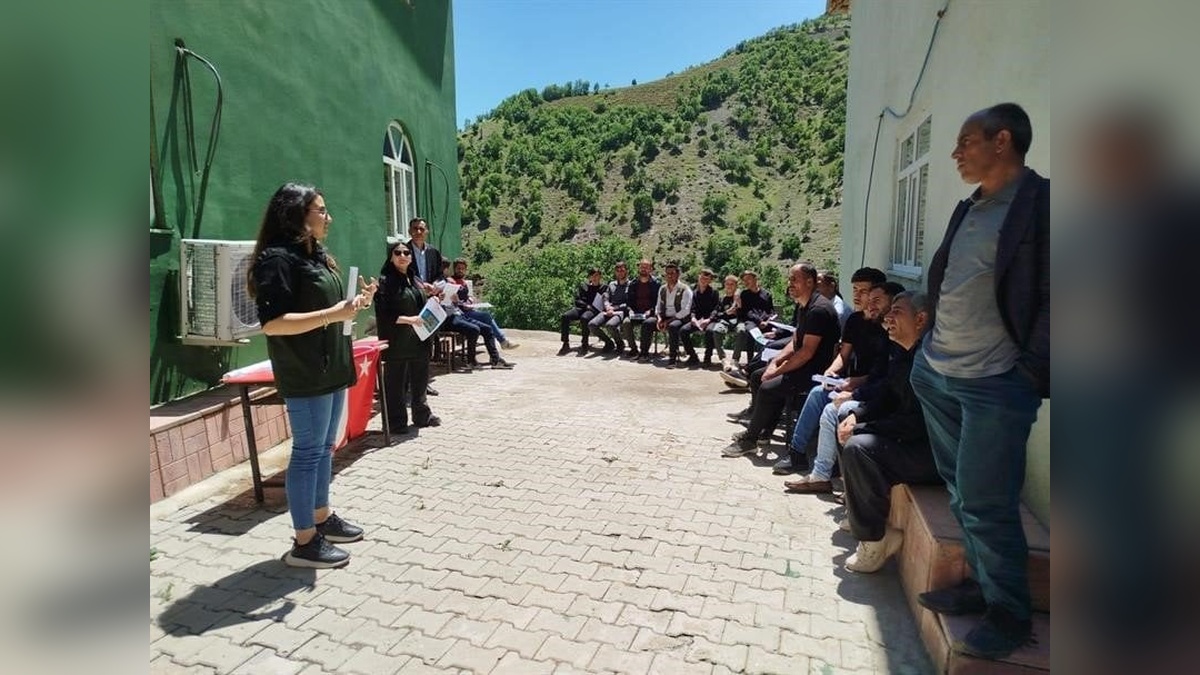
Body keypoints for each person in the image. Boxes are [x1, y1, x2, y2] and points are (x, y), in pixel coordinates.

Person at [909, 103, 1049, 660]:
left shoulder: (1044, 206)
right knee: (961, 492)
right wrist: (925, 343)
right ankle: (980, 586)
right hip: (938, 372)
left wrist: (1029, 373)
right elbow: (951, 280)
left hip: (995, 382)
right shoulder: (970, 207)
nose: (955, 153)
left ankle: (1010, 615)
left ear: (1002, 140)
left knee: (987, 502)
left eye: (966, 141)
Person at [247, 183, 376, 569]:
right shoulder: (277, 260)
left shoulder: (315, 255)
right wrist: (333, 314)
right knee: (306, 452)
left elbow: (328, 308)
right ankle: (304, 541)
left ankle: (321, 517)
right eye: (321, 210)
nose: (328, 217)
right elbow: (273, 323)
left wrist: (355, 304)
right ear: (297, 215)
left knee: (323, 448)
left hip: (330, 366)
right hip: (305, 371)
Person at [838, 291, 942, 573]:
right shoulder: (904, 354)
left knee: (859, 448)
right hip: (912, 439)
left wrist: (863, 427)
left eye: (897, 312)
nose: (888, 317)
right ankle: (860, 514)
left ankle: (874, 542)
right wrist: (856, 415)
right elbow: (886, 396)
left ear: (920, 319)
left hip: (935, 455)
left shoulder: (930, 363)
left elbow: (915, 424)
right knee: (845, 421)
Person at [779, 281, 902, 485]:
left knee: (833, 409)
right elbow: (844, 355)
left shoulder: (892, 334)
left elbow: (884, 378)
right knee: (817, 392)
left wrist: (854, 388)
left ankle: (826, 473)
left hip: (870, 390)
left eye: (873, 298)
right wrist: (832, 371)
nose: (863, 300)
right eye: (857, 291)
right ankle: (796, 453)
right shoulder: (856, 320)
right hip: (856, 382)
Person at [723, 263, 840, 457]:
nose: (789, 283)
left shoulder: (818, 310)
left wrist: (776, 371)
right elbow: (795, 341)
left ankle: (750, 440)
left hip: (815, 371)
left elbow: (806, 352)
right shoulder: (804, 305)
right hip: (804, 363)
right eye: (789, 279)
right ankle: (763, 431)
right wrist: (775, 362)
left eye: (794, 279)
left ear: (809, 282)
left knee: (768, 386)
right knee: (758, 376)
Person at [374, 240, 440, 433]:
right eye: (398, 253)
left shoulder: (415, 279)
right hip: (397, 341)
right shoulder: (385, 282)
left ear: (411, 257)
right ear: (391, 257)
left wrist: (433, 300)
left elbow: (419, 303)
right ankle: (396, 423)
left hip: (419, 338)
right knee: (395, 384)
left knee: (420, 381)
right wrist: (409, 320)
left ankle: (422, 415)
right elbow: (384, 315)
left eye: (406, 253)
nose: (402, 256)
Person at [447, 258, 519, 354]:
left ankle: (499, 346)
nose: (460, 270)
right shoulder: (451, 281)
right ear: (454, 269)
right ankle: (502, 342)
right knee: (486, 317)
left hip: (468, 310)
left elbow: (467, 296)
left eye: (463, 268)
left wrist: (470, 300)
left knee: (487, 318)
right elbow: (450, 300)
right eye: (458, 268)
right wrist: (461, 304)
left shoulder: (463, 282)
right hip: (460, 313)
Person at [727, 270, 774, 371]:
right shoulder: (745, 294)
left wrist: (768, 320)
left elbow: (770, 310)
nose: (746, 282)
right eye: (744, 280)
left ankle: (765, 362)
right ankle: (751, 363)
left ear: (755, 279)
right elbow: (747, 312)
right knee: (752, 332)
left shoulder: (766, 294)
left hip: (765, 322)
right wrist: (759, 321)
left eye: (748, 279)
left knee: (772, 333)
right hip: (751, 321)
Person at [679, 268, 720, 367]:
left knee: (710, 331)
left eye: (706, 279)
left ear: (710, 281)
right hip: (697, 320)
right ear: (698, 278)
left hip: (709, 320)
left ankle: (707, 358)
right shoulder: (694, 292)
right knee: (683, 330)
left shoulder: (714, 292)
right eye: (702, 278)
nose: (703, 280)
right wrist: (693, 318)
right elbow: (692, 308)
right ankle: (692, 356)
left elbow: (716, 309)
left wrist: (709, 319)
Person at [559, 268, 604, 355]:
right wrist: (586, 306)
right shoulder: (584, 286)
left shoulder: (603, 288)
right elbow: (577, 300)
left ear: (600, 277)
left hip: (593, 310)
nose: (595, 278)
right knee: (565, 316)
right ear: (589, 277)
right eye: (593, 276)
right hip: (581, 308)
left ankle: (585, 343)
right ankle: (565, 343)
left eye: (597, 275)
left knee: (584, 318)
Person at [655, 262, 693, 367]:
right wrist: (659, 318)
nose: (669, 276)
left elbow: (685, 311)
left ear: (678, 274)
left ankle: (673, 358)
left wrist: (668, 321)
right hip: (664, 316)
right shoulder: (662, 289)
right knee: (647, 323)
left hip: (680, 318)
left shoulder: (685, 289)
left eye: (672, 273)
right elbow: (658, 306)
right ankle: (643, 353)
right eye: (667, 273)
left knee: (673, 326)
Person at [589, 261, 632, 354]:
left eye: (622, 270)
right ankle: (609, 343)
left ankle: (619, 344)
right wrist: (607, 306)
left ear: (626, 271)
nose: (620, 273)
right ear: (615, 272)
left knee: (610, 325)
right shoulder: (612, 284)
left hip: (621, 312)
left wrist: (614, 308)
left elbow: (630, 303)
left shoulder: (631, 285)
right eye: (618, 271)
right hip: (608, 310)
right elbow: (605, 296)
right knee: (592, 325)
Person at [624, 259, 661, 361]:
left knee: (647, 324)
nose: (644, 269)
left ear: (651, 269)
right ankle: (634, 349)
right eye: (642, 267)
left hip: (651, 314)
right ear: (639, 268)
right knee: (626, 322)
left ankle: (644, 352)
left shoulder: (656, 284)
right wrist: (630, 310)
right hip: (636, 313)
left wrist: (651, 311)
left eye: (646, 267)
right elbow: (629, 301)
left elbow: (659, 302)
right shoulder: (633, 283)